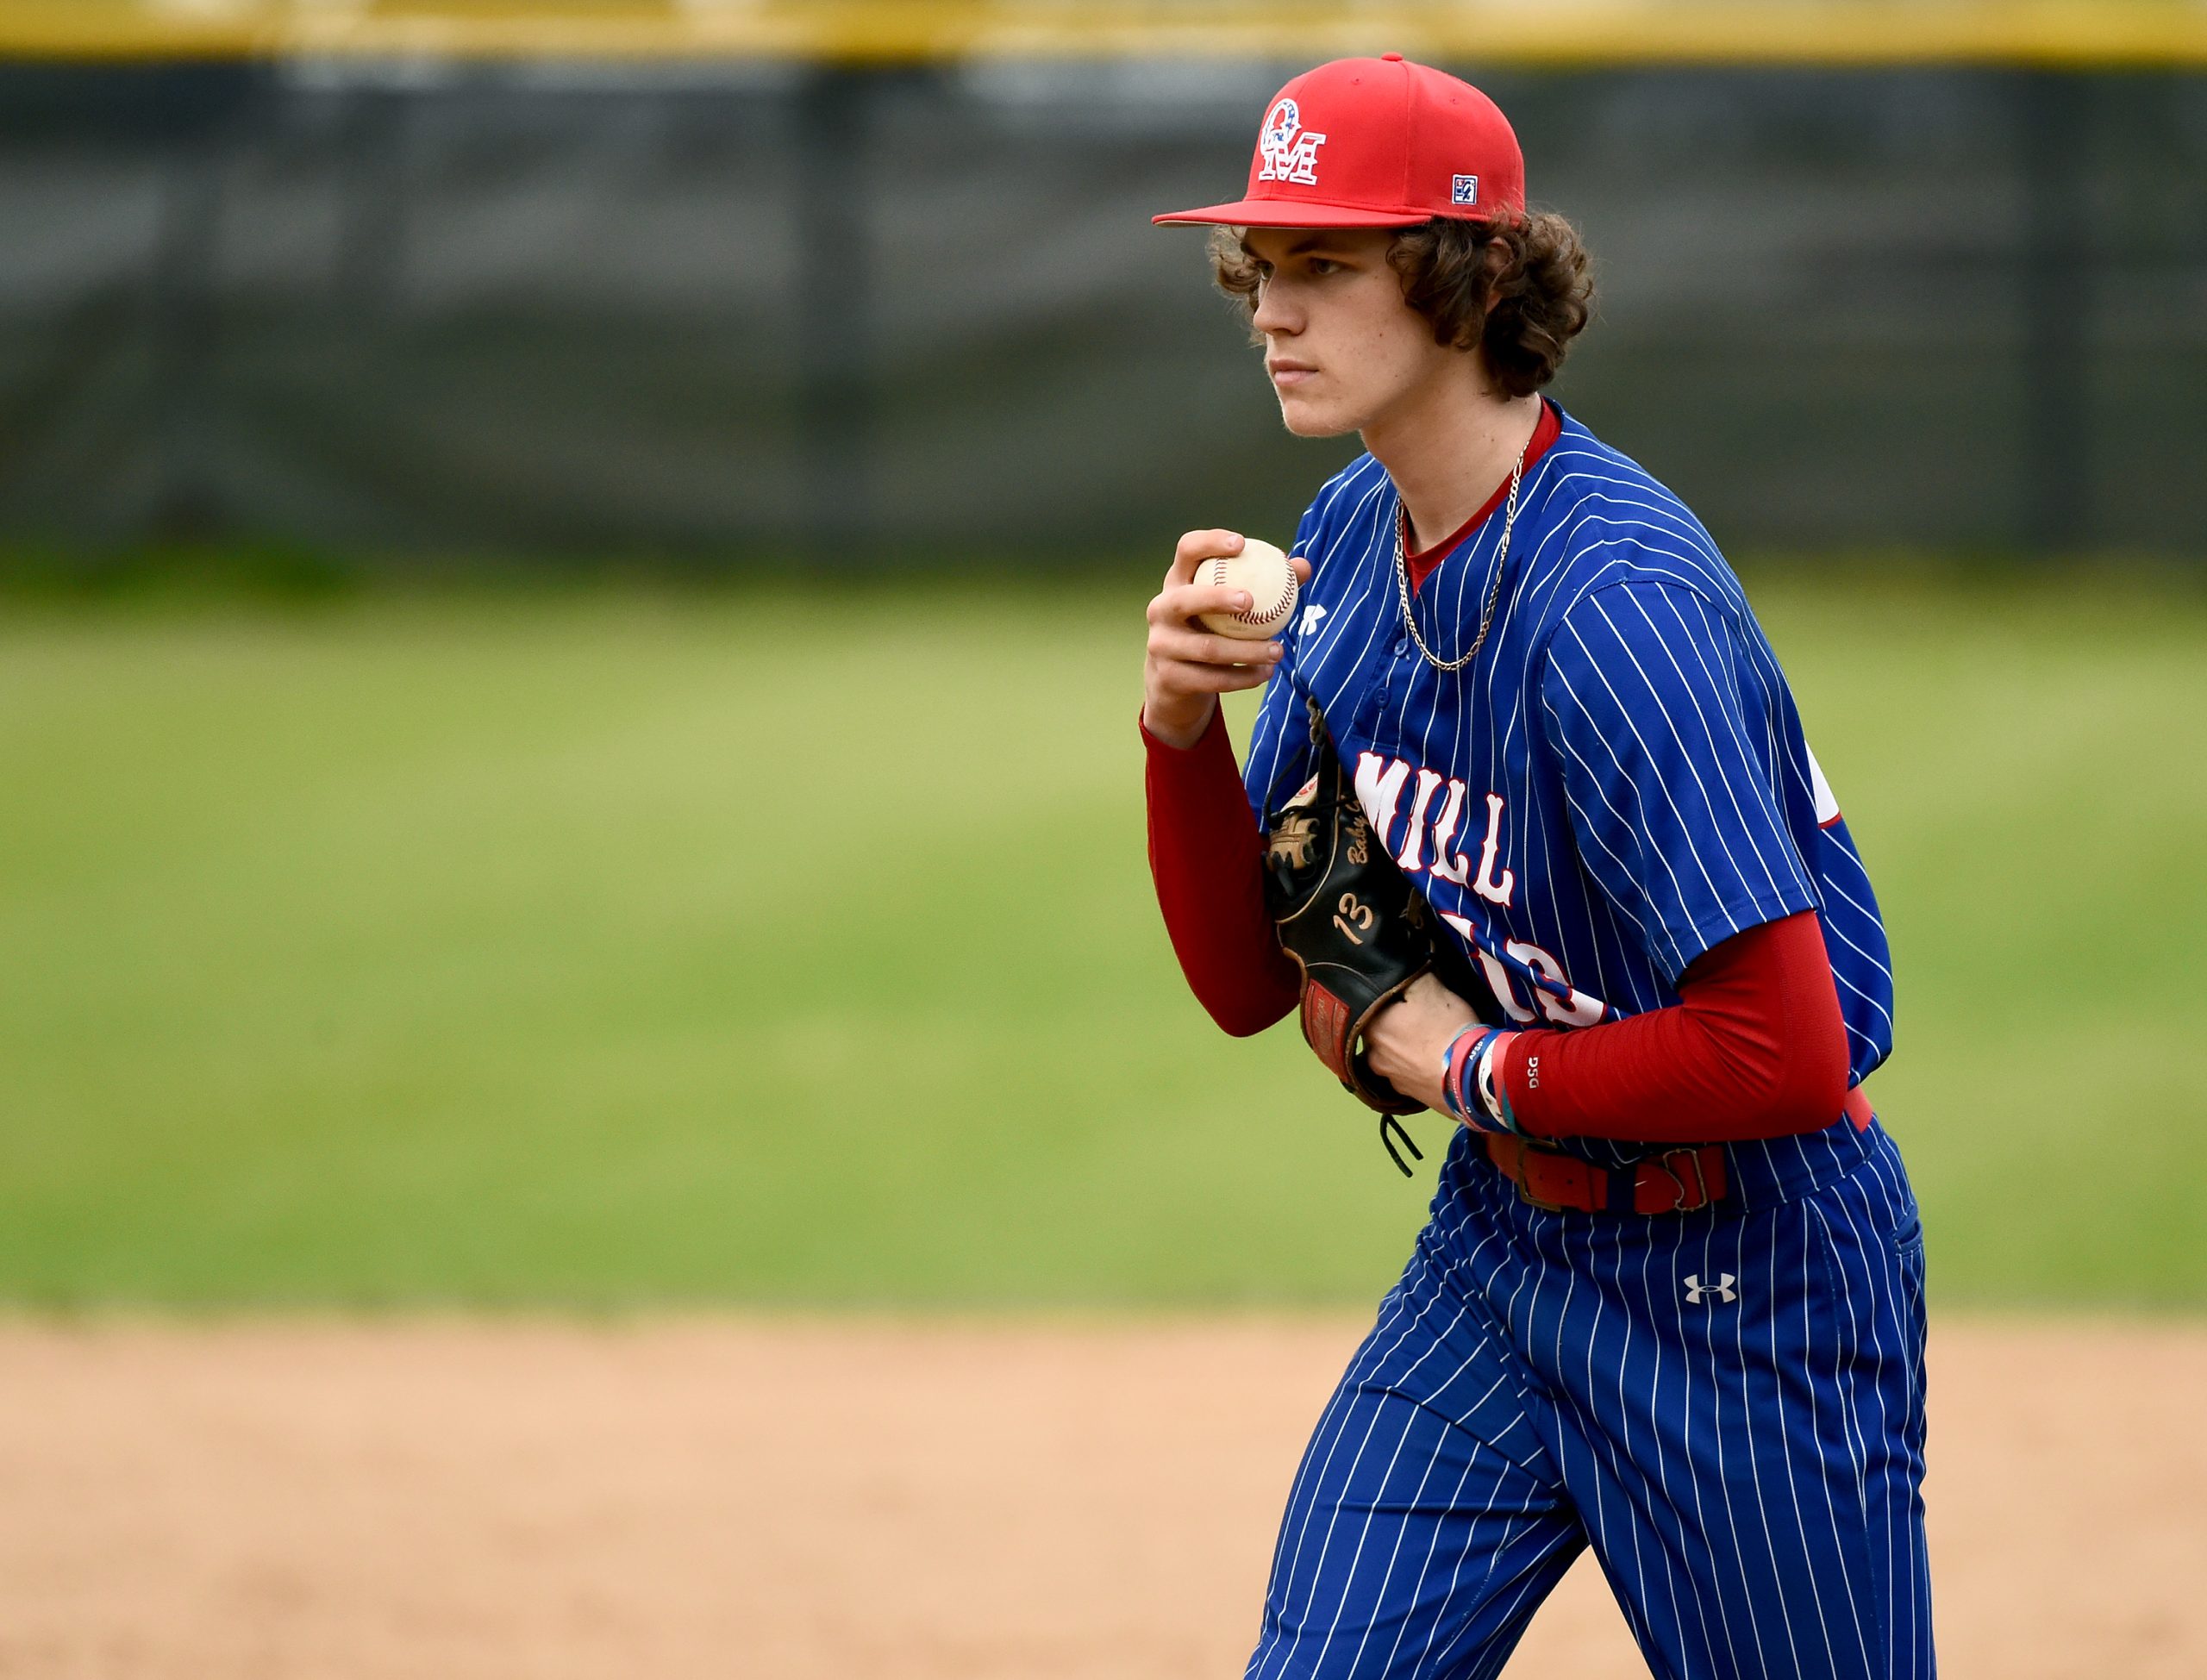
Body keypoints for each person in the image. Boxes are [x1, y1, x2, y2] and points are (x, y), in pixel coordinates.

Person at [1140, 54, 1931, 1680]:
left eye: (1325, 266)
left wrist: (1473, 1060)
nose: (1271, 311)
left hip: (1749, 1285)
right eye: (1263, 268)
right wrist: (1176, 737)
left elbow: (1793, 1046)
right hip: (1502, 1262)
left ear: (1468, 274)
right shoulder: (1355, 539)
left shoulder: (1612, 607)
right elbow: (1246, 985)